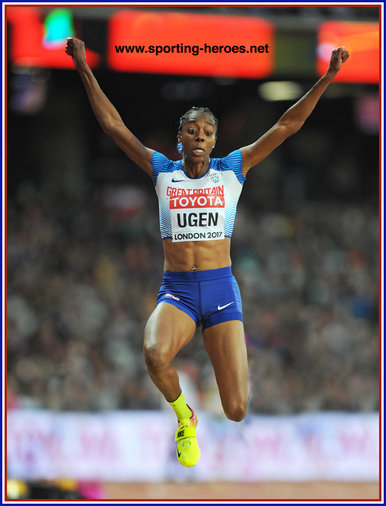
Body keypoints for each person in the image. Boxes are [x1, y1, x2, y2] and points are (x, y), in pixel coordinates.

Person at [65, 37, 349, 467]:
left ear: (215, 141)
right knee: (154, 354)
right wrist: (84, 66)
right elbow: (113, 126)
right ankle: (185, 417)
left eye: (208, 132)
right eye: (192, 131)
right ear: (180, 138)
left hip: (220, 290)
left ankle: (213, 417)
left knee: (236, 409)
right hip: (177, 290)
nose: (200, 137)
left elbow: (287, 126)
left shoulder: (232, 169)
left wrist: (326, 78)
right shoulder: (162, 170)